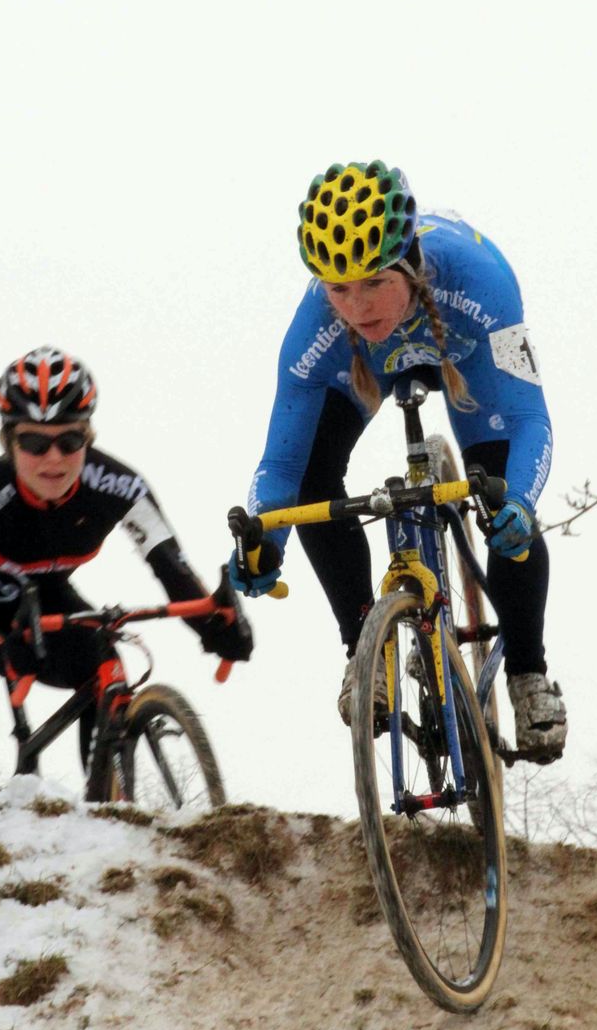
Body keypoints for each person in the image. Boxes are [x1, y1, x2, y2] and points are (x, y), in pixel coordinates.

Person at [231, 160, 566, 763]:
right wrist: (261, 539)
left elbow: (528, 420)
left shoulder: (481, 282)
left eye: (373, 283)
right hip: (367, 368)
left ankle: (527, 671)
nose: (356, 308)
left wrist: (519, 500)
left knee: (499, 497)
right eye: (338, 288)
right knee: (313, 479)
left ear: (409, 264)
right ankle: (365, 647)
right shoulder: (318, 323)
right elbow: (279, 469)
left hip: (461, 350)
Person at [0, 345, 252, 782]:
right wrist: (3, 653)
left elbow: (170, 567)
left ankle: (105, 803)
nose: (53, 458)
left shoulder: (118, 484)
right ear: (9, 443)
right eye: (34, 443)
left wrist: (214, 623)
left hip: (43, 600)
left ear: (87, 438)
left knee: (103, 661)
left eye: (69, 440)